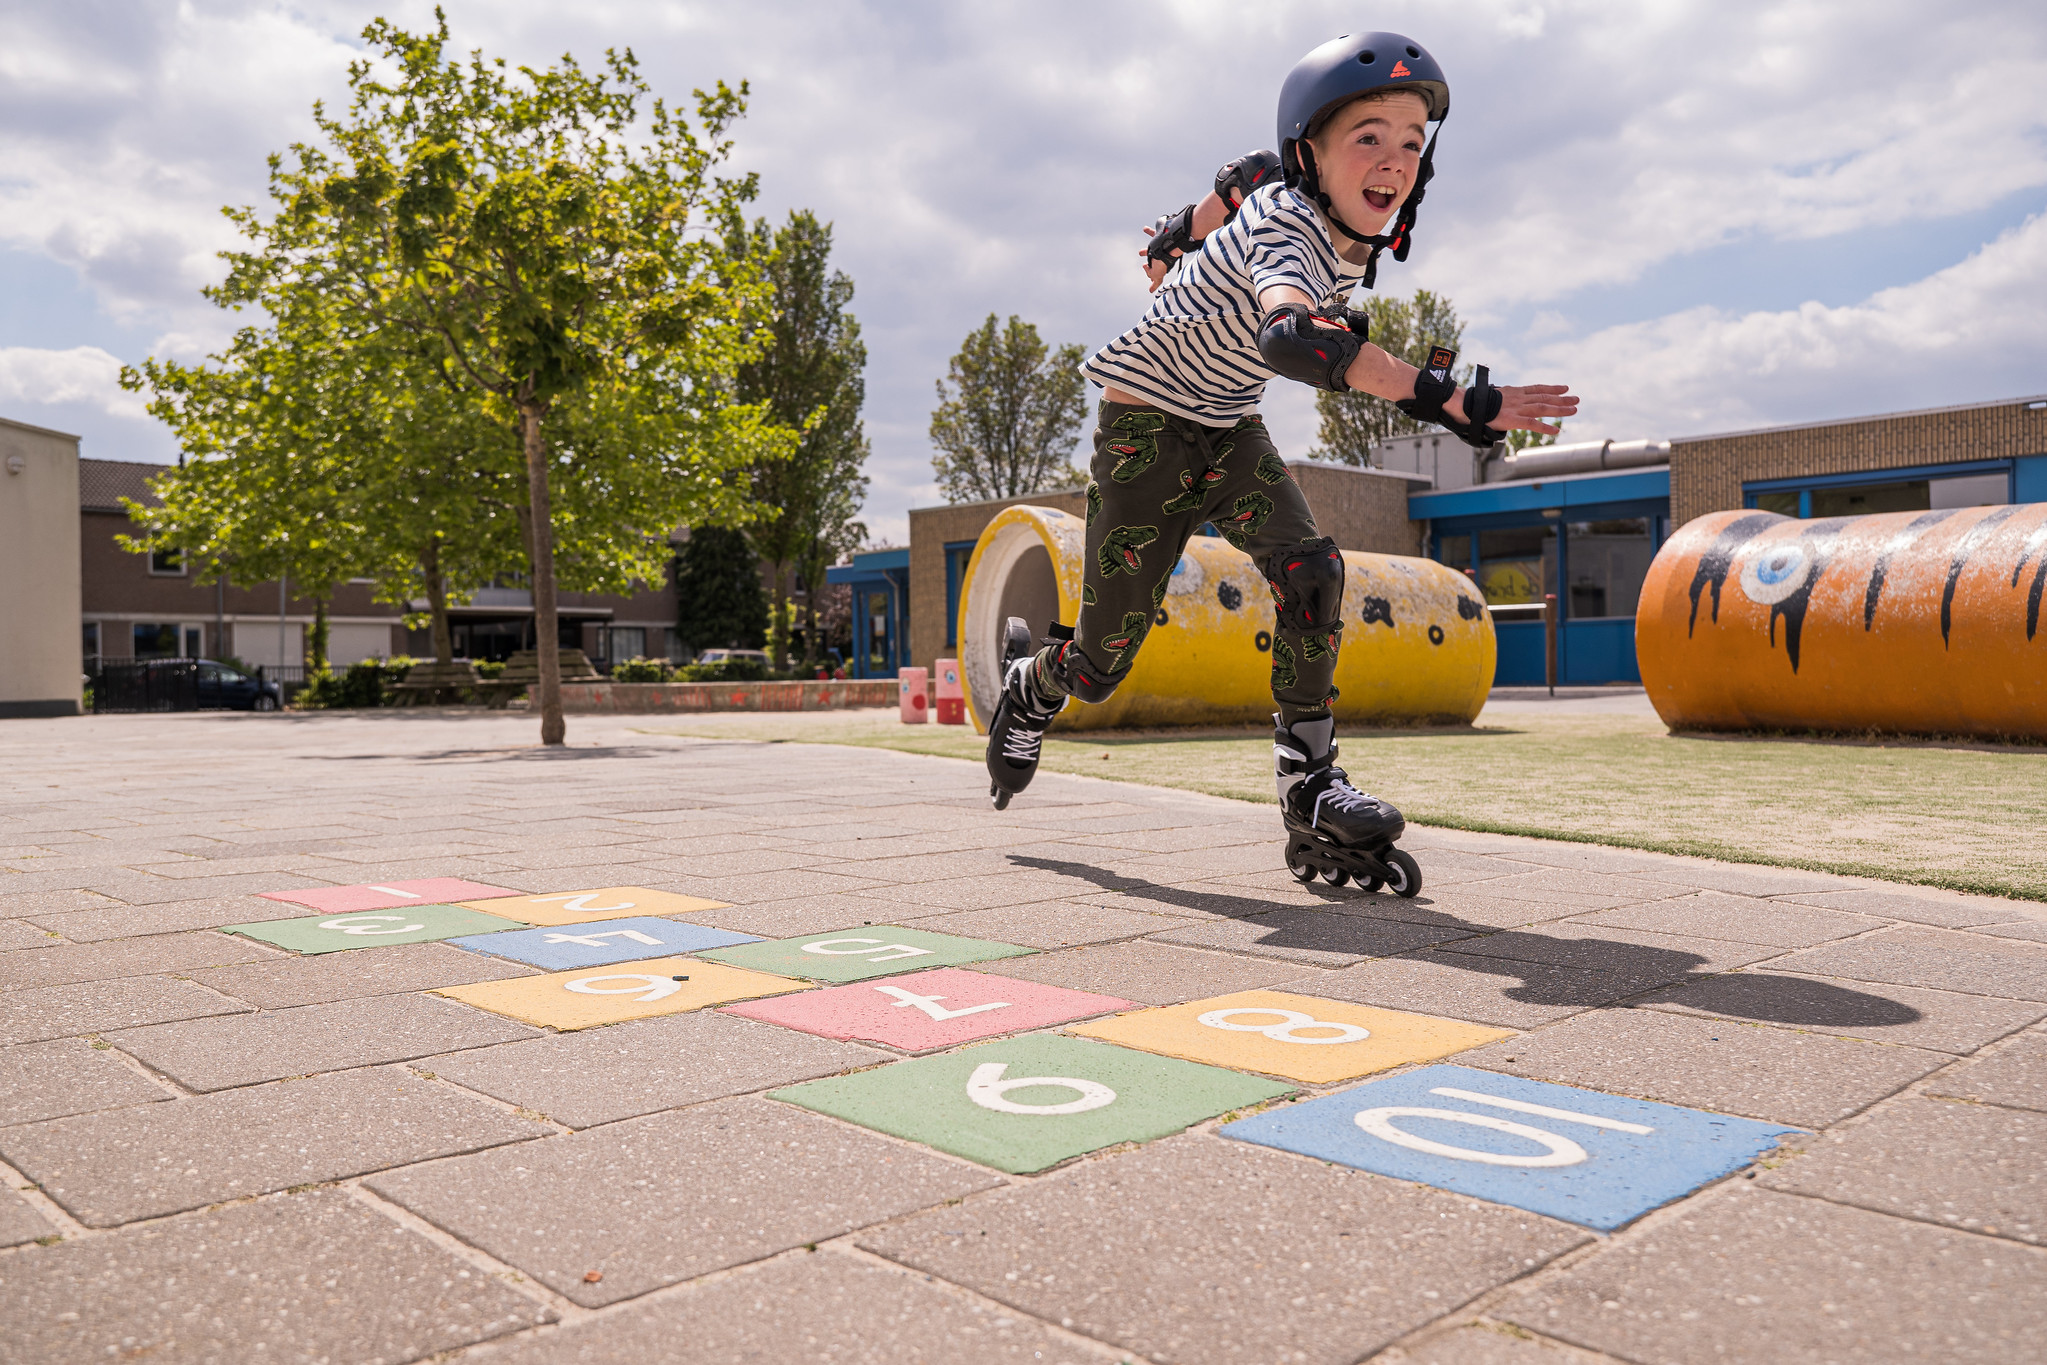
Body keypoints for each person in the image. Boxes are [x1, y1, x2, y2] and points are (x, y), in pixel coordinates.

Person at [984, 32, 1576, 888]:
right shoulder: (1293, 229)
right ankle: (1031, 684)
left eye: (1411, 141)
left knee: (1310, 572)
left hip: (1225, 427)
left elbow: (1239, 178)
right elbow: (1292, 332)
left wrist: (1172, 236)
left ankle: (1309, 783)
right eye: (1367, 137)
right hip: (1146, 431)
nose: (1394, 160)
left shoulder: (1287, 184)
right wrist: (1448, 398)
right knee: (1104, 661)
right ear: (1316, 155)